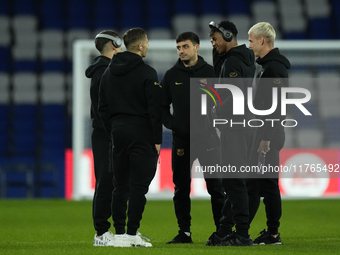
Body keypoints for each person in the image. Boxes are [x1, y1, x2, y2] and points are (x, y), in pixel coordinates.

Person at [98, 27, 162, 247]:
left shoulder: (108, 72)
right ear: (141, 45)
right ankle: (132, 233)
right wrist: (157, 139)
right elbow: (155, 110)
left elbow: (102, 108)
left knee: (120, 186)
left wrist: (114, 129)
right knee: (138, 186)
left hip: (118, 132)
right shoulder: (147, 73)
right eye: (147, 43)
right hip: (141, 132)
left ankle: (119, 234)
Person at [161, 32, 225, 244]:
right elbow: (161, 107)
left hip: (208, 139)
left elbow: (224, 102)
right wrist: (173, 125)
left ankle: (221, 232)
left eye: (185, 46)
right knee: (181, 188)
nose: (181, 51)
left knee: (216, 187)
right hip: (182, 141)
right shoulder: (172, 75)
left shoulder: (211, 72)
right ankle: (184, 233)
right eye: (179, 47)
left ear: (197, 47)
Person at [207, 20, 256, 246]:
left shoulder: (234, 61)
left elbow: (236, 93)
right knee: (233, 181)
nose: (213, 43)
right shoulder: (242, 58)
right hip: (244, 126)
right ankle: (225, 230)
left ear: (228, 36)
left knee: (234, 181)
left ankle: (242, 234)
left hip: (234, 127)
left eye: (215, 39)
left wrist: (218, 109)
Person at [247, 22, 291, 245]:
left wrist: (265, 138)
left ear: (262, 40)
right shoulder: (266, 66)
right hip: (263, 134)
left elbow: (278, 107)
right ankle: (250, 231)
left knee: (269, 185)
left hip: (268, 137)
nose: (249, 44)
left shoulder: (274, 69)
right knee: (257, 185)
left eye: (251, 40)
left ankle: (273, 234)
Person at [85, 30, 122, 246]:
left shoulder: (104, 70)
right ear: (115, 43)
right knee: (106, 181)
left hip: (107, 133)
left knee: (113, 182)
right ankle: (100, 233)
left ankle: (115, 230)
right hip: (106, 135)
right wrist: (114, 134)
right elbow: (103, 110)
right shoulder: (104, 72)